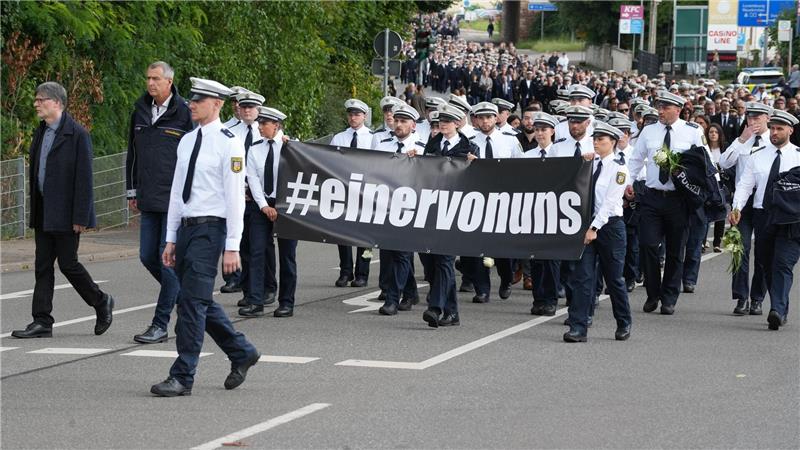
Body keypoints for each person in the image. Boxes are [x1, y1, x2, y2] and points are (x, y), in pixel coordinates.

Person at [151, 77, 259, 397]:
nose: (191, 104)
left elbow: (235, 198)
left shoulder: (229, 142)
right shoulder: (186, 141)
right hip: (186, 228)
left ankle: (183, 374)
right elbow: (176, 194)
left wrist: (232, 246)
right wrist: (170, 238)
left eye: (199, 100)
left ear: (217, 104)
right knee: (195, 299)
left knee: (190, 305)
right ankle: (241, 351)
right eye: (191, 99)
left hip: (212, 229)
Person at [12, 81, 115, 339]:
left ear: (57, 103)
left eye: (41, 99)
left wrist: (81, 216)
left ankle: (101, 301)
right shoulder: (41, 131)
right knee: (42, 266)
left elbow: (84, 178)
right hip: (44, 210)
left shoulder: (77, 134)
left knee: (69, 264)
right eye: (36, 99)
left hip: (67, 213)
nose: (36, 103)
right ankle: (42, 320)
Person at [126, 61, 193, 344]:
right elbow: (132, 153)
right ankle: (182, 295)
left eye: (156, 78)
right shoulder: (140, 110)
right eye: (148, 78)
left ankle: (160, 324)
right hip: (148, 196)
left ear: (169, 82)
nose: (151, 83)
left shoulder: (184, 113)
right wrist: (132, 191)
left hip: (174, 200)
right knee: (147, 256)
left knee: (167, 263)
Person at [627, 90, 705, 315]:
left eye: (665, 107)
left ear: (678, 110)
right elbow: (635, 159)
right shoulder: (649, 131)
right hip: (652, 196)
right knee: (648, 245)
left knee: (674, 251)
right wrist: (628, 183)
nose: (660, 111)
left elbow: (703, 164)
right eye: (659, 106)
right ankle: (653, 293)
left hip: (678, 200)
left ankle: (669, 296)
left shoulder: (692, 132)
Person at [729, 109, 800, 330]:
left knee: (782, 264)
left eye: (780, 129)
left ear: (790, 130)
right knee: (766, 263)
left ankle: (776, 309)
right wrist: (737, 206)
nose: (775, 132)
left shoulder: (798, 155)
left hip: (791, 220)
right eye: (774, 128)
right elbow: (745, 184)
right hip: (763, 216)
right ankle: (781, 307)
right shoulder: (758, 154)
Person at [563, 121, 632, 342]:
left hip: (609, 227)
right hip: (589, 225)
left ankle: (623, 322)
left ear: (612, 143)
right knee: (583, 278)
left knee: (614, 279)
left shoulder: (619, 168)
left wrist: (594, 228)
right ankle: (578, 327)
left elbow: (611, 202)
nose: (597, 143)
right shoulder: (590, 164)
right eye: (595, 139)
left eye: (601, 140)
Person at [413, 104, 478, 327]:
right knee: (431, 261)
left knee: (444, 260)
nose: (443, 125)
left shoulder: (469, 147)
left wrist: (474, 165)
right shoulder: (433, 143)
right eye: (440, 122)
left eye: (448, 121)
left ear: (457, 123)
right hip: (432, 209)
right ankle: (452, 313)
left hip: (455, 210)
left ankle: (435, 307)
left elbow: (479, 179)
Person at [239, 106, 298, 318]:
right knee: (257, 251)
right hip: (261, 204)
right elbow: (252, 178)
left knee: (287, 255)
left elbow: (297, 177)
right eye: (259, 123)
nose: (260, 127)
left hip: (286, 205)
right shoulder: (255, 148)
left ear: (277, 125)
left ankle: (286, 302)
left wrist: (279, 206)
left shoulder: (292, 146)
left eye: (264, 124)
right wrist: (264, 205)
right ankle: (256, 301)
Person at [465, 101, 523, 303]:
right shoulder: (469, 140)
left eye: (488, 117)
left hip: (503, 199)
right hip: (477, 199)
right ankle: (482, 289)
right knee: (478, 245)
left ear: (496, 118)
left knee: (501, 246)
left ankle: (506, 278)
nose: (485, 121)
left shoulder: (510, 140)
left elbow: (522, 168)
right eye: (481, 117)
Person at [717, 102, 772, 315]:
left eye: (758, 118)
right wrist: (741, 140)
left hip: (766, 202)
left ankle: (758, 298)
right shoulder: (742, 141)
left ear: (767, 118)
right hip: (743, 202)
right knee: (740, 249)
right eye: (750, 117)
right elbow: (724, 162)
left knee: (763, 253)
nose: (753, 122)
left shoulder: (773, 140)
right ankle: (741, 297)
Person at [373, 103, 426, 315]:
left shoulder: (421, 147)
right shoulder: (383, 145)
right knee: (390, 253)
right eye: (397, 121)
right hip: (387, 205)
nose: (399, 125)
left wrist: (419, 162)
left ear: (413, 125)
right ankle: (411, 292)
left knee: (402, 254)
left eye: (404, 121)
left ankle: (393, 299)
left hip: (409, 207)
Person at [219, 90, 265, 295]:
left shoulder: (264, 130)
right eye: (241, 105)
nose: (244, 110)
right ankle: (234, 277)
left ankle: (257, 285)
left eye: (249, 107)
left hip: (259, 195)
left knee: (256, 245)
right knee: (234, 234)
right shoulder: (229, 130)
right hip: (235, 191)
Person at [329, 99, 373, 287]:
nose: (353, 117)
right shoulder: (339, 138)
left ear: (364, 116)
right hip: (344, 191)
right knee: (342, 234)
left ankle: (363, 272)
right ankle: (345, 271)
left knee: (365, 237)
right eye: (351, 114)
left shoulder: (373, 138)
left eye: (357, 114)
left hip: (366, 192)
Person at [706, 123, 727, 252]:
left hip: (721, 185)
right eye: (711, 132)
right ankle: (703, 241)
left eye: (716, 132)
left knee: (721, 213)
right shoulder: (704, 148)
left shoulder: (724, 148)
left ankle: (717, 242)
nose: (713, 134)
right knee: (706, 212)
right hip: (707, 184)